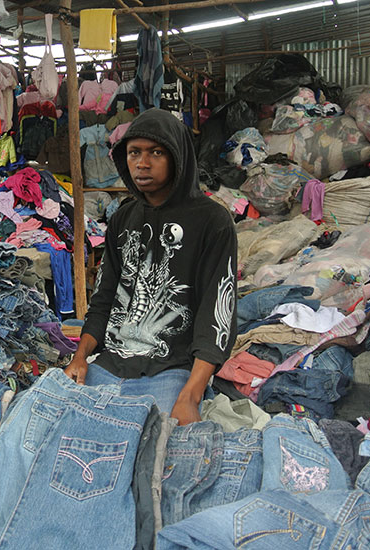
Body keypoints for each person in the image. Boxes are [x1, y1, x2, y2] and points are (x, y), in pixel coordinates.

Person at [65, 108, 237, 426]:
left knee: (154, 447)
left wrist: (191, 395)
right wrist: (80, 357)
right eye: (134, 153)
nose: (142, 164)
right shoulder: (121, 220)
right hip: (109, 364)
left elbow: (217, 313)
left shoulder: (212, 221)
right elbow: (103, 299)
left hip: (171, 368)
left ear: (177, 157)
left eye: (156, 152)